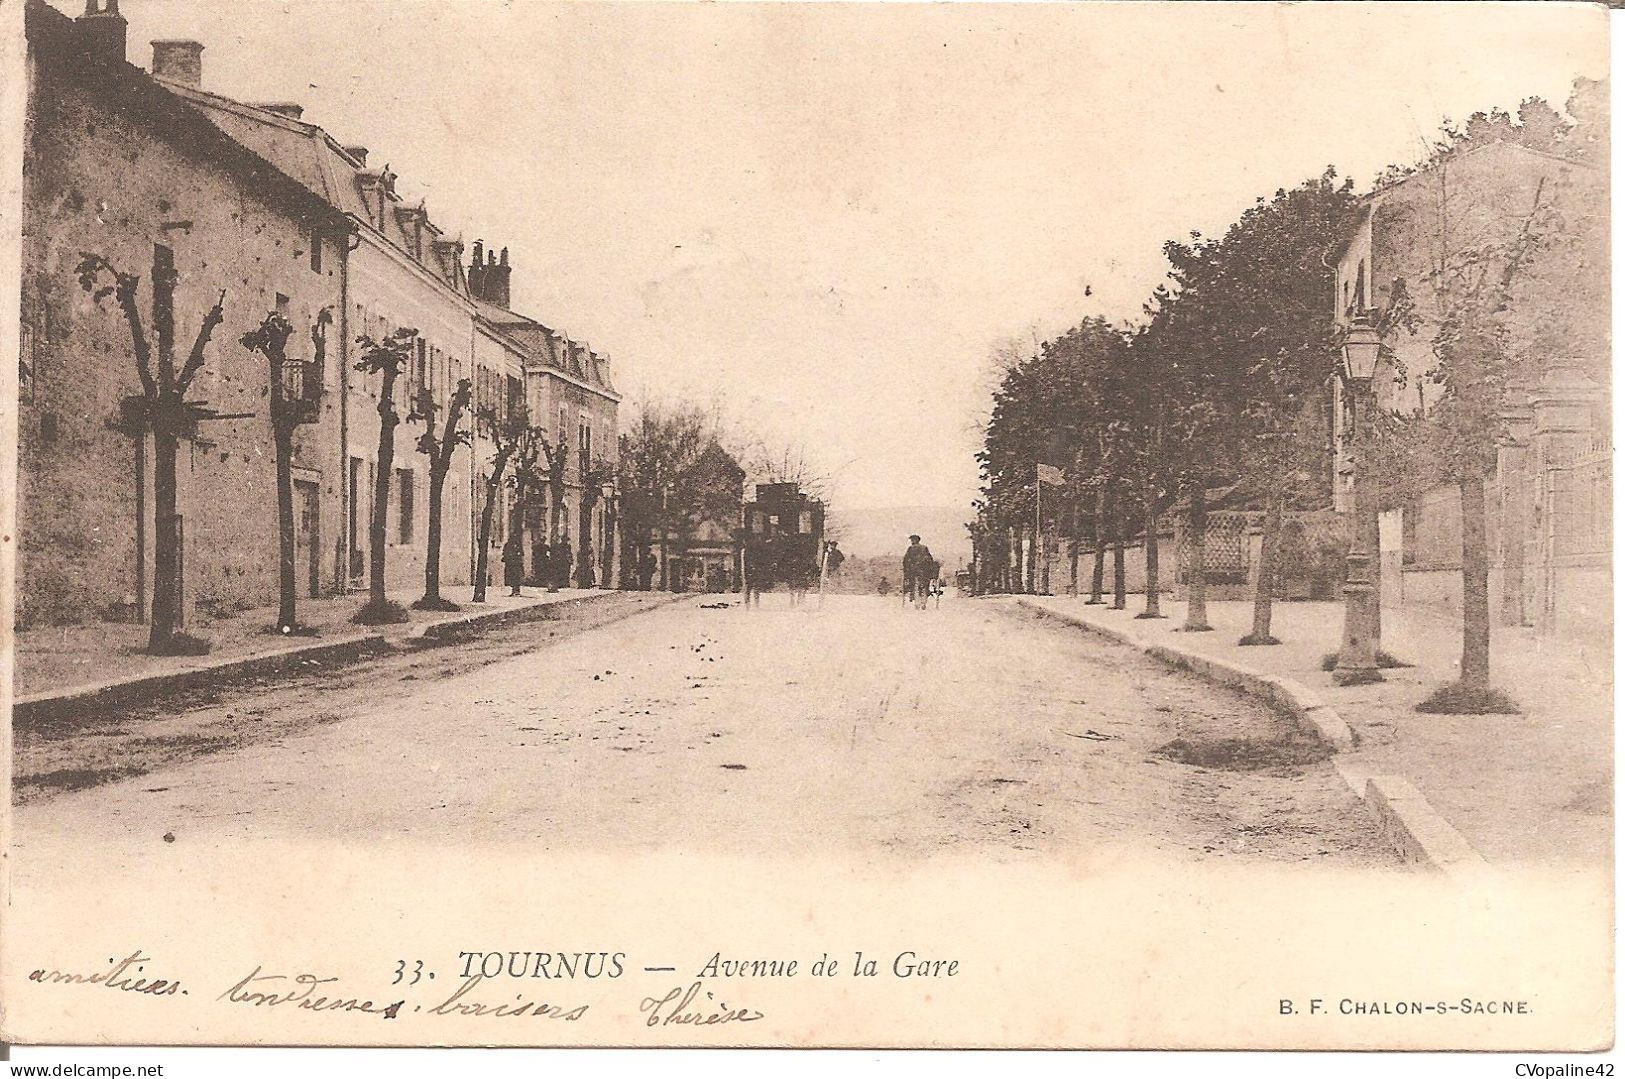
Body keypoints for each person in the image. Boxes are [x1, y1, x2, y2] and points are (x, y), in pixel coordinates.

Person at [902, 534, 936, 609]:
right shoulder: (924, 548)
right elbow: (930, 559)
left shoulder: (910, 548)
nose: (912, 542)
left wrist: (906, 569)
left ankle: (916, 600)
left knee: (913, 585)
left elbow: (905, 560)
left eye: (912, 540)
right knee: (925, 586)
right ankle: (923, 601)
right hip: (924, 571)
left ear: (915, 541)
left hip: (913, 571)